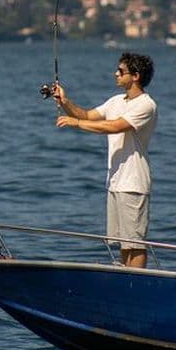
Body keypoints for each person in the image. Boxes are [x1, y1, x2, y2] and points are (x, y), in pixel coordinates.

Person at [53, 52, 157, 268]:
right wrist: (65, 101)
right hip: (115, 182)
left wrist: (75, 124)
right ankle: (125, 283)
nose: (115, 74)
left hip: (134, 183)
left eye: (121, 71)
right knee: (122, 242)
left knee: (135, 244)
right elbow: (87, 115)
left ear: (135, 76)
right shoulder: (116, 101)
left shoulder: (146, 105)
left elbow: (114, 126)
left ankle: (135, 285)